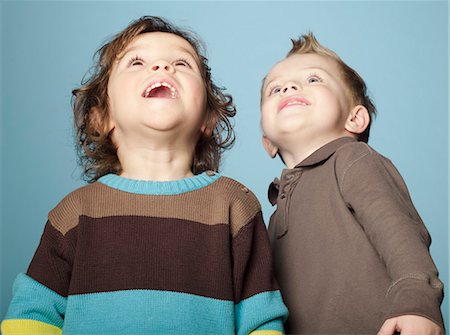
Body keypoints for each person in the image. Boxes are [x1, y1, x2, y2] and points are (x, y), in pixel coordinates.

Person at [1, 16, 287, 335]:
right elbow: (32, 316)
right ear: (101, 117)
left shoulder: (236, 206)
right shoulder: (74, 213)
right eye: (137, 62)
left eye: (181, 62)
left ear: (209, 116)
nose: (162, 67)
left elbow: (261, 322)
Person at [260, 32, 444, 335]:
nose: (289, 87)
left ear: (355, 119)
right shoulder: (275, 216)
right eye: (275, 89)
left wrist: (416, 300)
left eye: (314, 80)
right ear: (267, 142)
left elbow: (398, 232)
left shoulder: (352, 159)